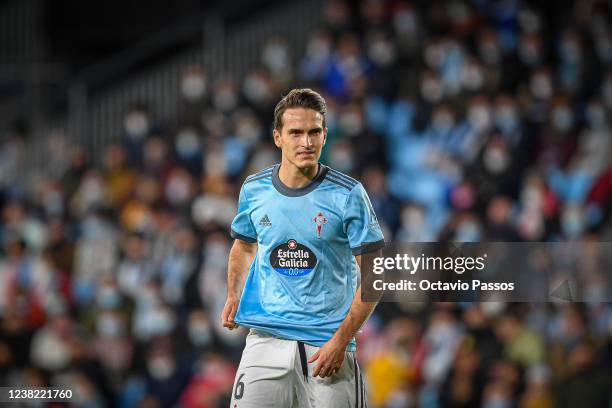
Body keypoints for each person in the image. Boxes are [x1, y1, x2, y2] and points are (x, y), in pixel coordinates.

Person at [221, 88, 385, 407]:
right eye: (295, 133)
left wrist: (341, 340)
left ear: (325, 135)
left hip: (327, 346)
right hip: (264, 340)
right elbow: (243, 244)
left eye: (314, 133)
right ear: (278, 137)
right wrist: (233, 292)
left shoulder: (348, 194)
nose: (306, 143)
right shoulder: (254, 189)